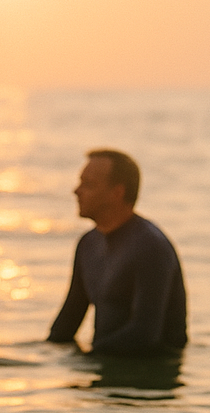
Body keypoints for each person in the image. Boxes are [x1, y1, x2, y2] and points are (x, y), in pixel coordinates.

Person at [48, 149, 187, 356]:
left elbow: (146, 334)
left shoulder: (151, 248)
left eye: (88, 184)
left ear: (117, 193)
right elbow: (67, 322)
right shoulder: (88, 244)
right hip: (104, 363)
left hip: (149, 370)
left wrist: (87, 361)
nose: (76, 191)